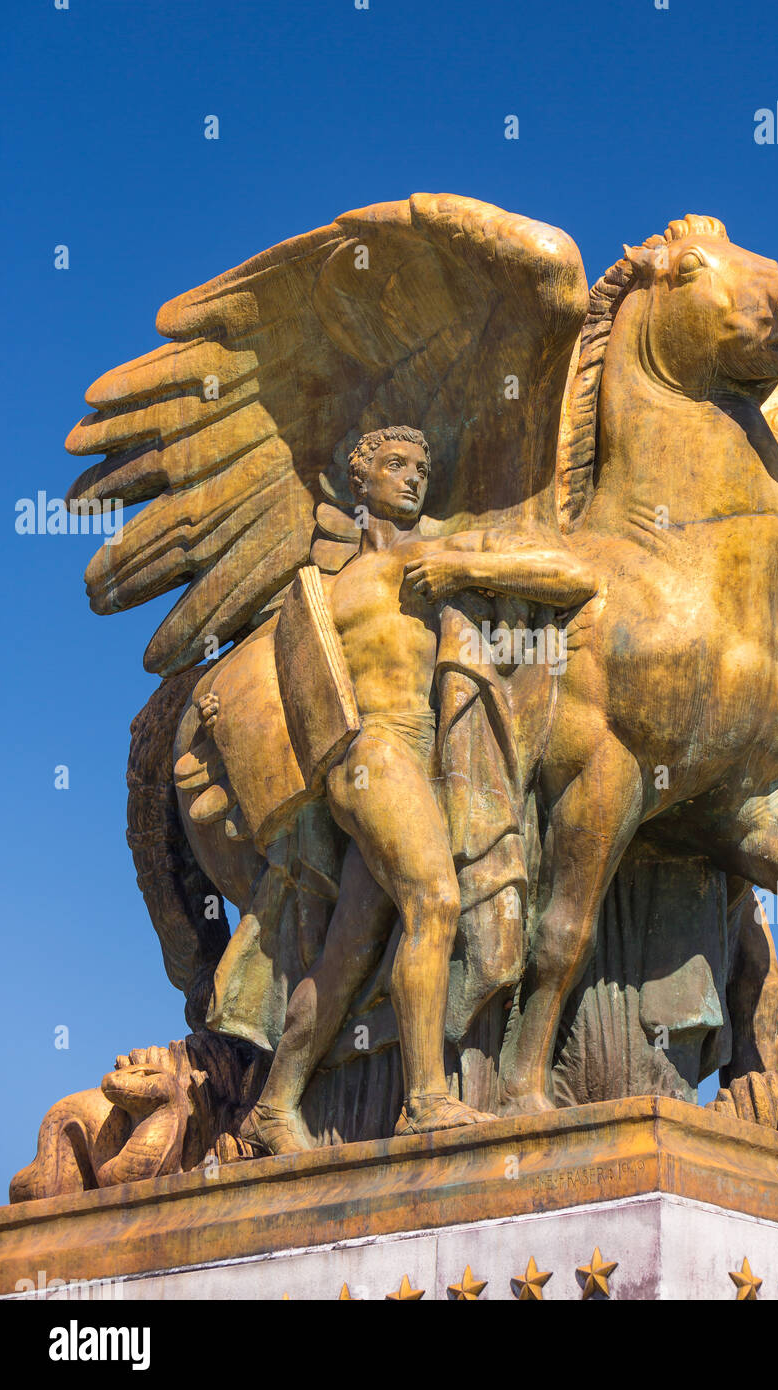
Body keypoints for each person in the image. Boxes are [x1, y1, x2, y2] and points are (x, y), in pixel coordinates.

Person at [242, 426, 596, 1154]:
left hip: (426, 759)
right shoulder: (323, 588)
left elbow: (576, 578)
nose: (413, 480)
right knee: (434, 901)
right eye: (395, 466)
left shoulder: (433, 555)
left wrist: (461, 572)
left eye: (422, 468)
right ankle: (425, 1100)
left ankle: (274, 1104)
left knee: (348, 949)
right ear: (357, 480)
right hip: (370, 749)